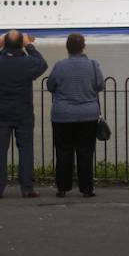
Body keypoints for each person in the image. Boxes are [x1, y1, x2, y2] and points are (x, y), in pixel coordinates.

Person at [0, 30, 48, 199]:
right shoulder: (28, 62)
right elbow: (42, 64)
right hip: (23, 112)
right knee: (25, 150)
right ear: (21, 43)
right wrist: (29, 45)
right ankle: (27, 188)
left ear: (4, 43)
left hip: (0, 112)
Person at [46, 33, 105, 198]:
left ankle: (62, 188)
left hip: (62, 116)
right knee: (85, 152)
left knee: (63, 151)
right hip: (88, 115)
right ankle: (87, 189)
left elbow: (50, 86)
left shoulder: (59, 65)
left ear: (67, 48)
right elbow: (100, 85)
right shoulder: (93, 65)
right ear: (83, 47)